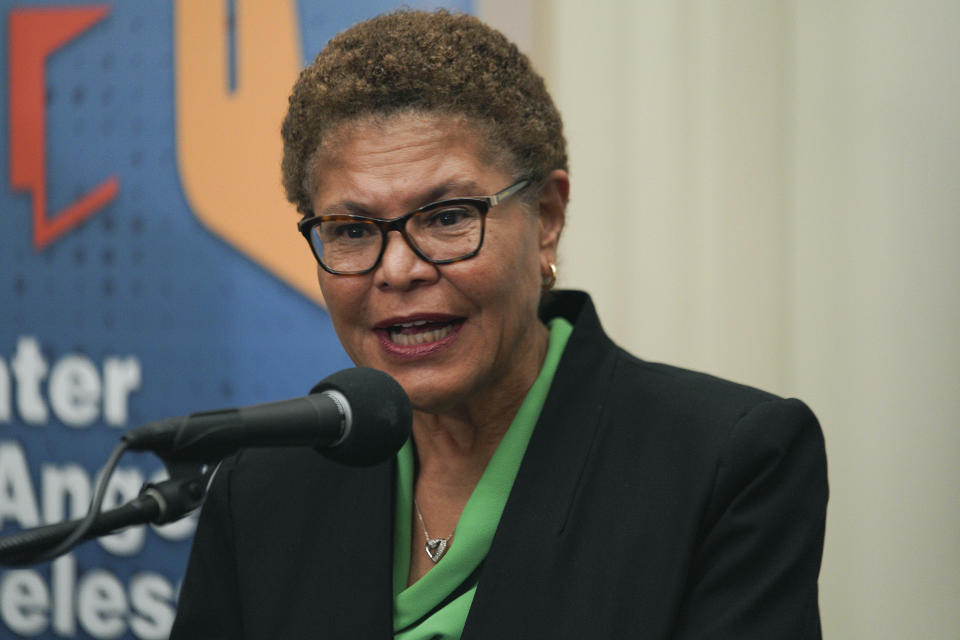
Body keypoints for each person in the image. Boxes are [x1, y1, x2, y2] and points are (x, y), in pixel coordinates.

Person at [170, 9, 827, 639]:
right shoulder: (261, 487)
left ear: (546, 215)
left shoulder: (727, 463)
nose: (397, 270)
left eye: (448, 216)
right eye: (350, 229)